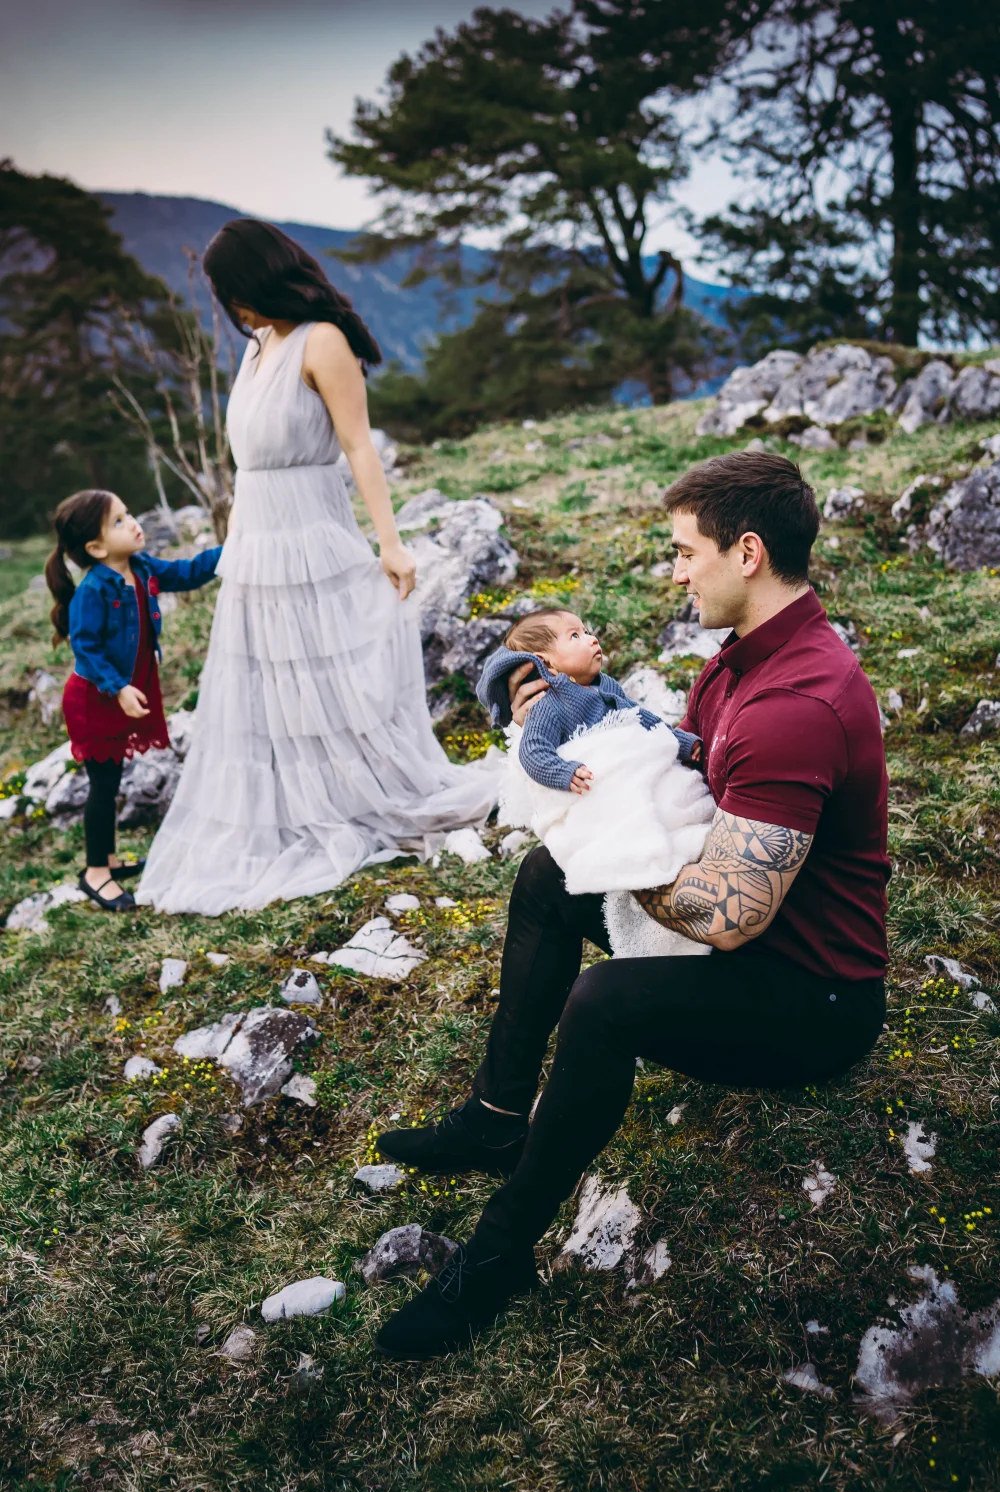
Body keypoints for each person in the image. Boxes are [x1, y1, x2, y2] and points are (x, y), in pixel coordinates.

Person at [372, 450, 890, 1360]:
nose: (676, 571)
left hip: (814, 994)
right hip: (749, 941)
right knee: (544, 881)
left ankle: (496, 1257)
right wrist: (563, 729)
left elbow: (731, 915)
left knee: (603, 1003)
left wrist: (594, 840)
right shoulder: (735, 665)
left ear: (750, 553)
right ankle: (497, 1120)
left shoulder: (795, 701)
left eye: (687, 552)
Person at [137, 219, 498, 916]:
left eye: (238, 292)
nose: (235, 309)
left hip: (311, 530)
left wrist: (389, 542)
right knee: (271, 685)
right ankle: (289, 810)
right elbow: (245, 465)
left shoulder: (320, 339)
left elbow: (359, 447)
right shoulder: (258, 344)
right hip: (258, 542)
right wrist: (231, 548)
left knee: (325, 676)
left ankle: (353, 798)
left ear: (264, 279)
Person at [44, 489, 221, 913]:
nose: (134, 522)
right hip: (97, 700)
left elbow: (186, 572)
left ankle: (105, 858)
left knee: (114, 778)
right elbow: (86, 647)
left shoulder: (141, 568)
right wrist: (118, 687)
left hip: (123, 694)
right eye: (119, 521)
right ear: (97, 547)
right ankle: (95, 873)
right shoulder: (94, 590)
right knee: (103, 787)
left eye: (129, 513)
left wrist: (231, 552)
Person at [476, 609, 701, 794]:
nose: (592, 639)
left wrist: (680, 741)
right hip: (598, 790)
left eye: (586, 631)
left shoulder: (607, 685)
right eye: (575, 636)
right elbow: (533, 750)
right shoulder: (548, 704)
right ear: (547, 663)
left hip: (635, 773)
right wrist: (564, 772)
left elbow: (640, 716)